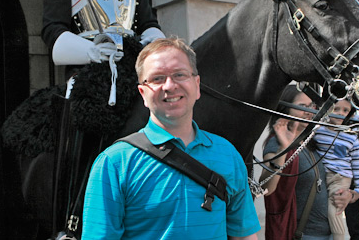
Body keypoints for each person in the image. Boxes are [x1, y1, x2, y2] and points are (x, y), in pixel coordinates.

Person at [81, 37, 261, 239]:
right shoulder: (113, 163)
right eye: (157, 78)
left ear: (197, 85)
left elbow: (245, 236)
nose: (169, 85)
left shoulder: (228, 155)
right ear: (143, 93)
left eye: (179, 75)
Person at [260, 85, 356, 240]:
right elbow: (266, 188)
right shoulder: (277, 144)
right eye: (302, 106)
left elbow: (327, 180)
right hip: (302, 234)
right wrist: (283, 149)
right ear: (285, 109)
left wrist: (348, 195)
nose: (309, 111)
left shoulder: (311, 141)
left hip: (327, 232)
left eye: (311, 106)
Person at [313, 99, 359, 240]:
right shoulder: (318, 130)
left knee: (334, 212)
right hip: (321, 176)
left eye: (345, 110)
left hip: (341, 179)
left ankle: (339, 237)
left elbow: (358, 164)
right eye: (336, 109)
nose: (340, 113)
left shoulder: (351, 136)